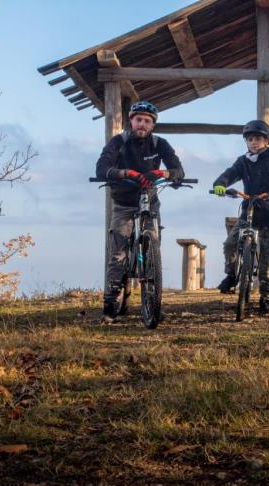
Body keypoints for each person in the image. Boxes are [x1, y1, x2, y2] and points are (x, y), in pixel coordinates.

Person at [95, 101, 185, 323]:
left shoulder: (159, 143)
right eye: (138, 120)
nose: (142, 125)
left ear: (153, 125)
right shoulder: (118, 142)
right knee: (118, 254)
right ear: (131, 121)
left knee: (154, 244)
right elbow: (101, 169)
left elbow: (178, 170)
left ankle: (152, 295)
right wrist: (126, 173)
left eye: (147, 121)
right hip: (124, 201)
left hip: (150, 200)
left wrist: (163, 173)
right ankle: (111, 303)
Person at [213, 120, 269, 315]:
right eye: (250, 139)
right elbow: (229, 174)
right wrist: (220, 184)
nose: (254, 142)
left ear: (267, 141)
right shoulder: (243, 161)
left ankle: (266, 298)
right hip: (249, 210)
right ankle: (232, 275)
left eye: (258, 138)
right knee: (230, 244)